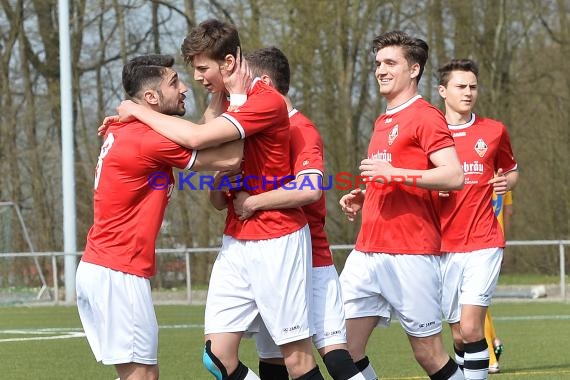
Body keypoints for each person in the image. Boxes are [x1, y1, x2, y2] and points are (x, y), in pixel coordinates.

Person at [110, 20, 325, 380]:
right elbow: (217, 192)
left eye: (202, 67)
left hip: (278, 239)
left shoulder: (265, 101)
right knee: (217, 356)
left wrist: (138, 111)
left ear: (228, 63)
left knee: (297, 360)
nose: (195, 77)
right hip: (237, 238)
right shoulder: (227, 101)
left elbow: (197, 139)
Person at [76, 54, 243, 380]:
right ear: (151, 97)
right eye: (174, 82)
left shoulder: (132, 129)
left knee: (137, 374)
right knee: (143, 376)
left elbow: (201, 133)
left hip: (106, 268)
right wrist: (237, 103)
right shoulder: (147, 137)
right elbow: (231, 156)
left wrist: (215, 97)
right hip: (117, 273)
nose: (183, 87)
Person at [214, 46, 364, 380]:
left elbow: (309, 188)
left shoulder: (301, 129)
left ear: (264, 81)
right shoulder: (256, 130)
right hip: (268, 259)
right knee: (273, 365)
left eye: (246, 78)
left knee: (334, 360)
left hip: (308, 259)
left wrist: (253, 202)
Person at [338, 30, 465, 380]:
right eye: (378, 63)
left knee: (428, 353)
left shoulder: (426, 116)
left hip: (410, 254)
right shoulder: (382, 121)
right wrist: (366, 193)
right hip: (366, 252)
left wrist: (393, 174)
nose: (380, 69)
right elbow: (392, 176)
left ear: (414, 69)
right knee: (340, 347)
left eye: (390, 63)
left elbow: (454, 175)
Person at [437, 59, 519, 380]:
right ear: (443, 90)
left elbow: (511, 170)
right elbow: (411, 179)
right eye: (461, 86)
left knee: (472, 328)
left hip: (484, 241)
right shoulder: (429, 131)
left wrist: (506, 182)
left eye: (473, 86)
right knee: (458, 334)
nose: (468, 92)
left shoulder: (494, 130)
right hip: (442, 246)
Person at [485, 190, 513, 374]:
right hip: (496, 243)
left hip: (477, 243)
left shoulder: (472, 171)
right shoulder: (504, 178)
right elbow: (508, 212)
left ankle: (490, 359)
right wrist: (503, 240)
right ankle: (494, 340)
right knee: (480, 301)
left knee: (470, 303)